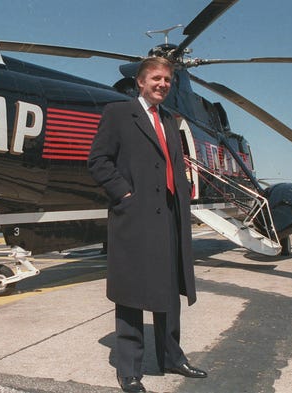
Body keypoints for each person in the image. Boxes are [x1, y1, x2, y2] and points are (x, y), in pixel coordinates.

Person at [87, 57, 207, 393]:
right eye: (156, 78)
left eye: (167, 79)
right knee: (131, 293)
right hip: (135, 217)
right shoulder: (119, 114)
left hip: (168, 216)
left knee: (169, 291)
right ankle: (129, 370)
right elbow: (97, 160)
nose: (163, 84)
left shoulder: (168, 119)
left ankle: (171, 356)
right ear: (140, 82)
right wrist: (125, 194)